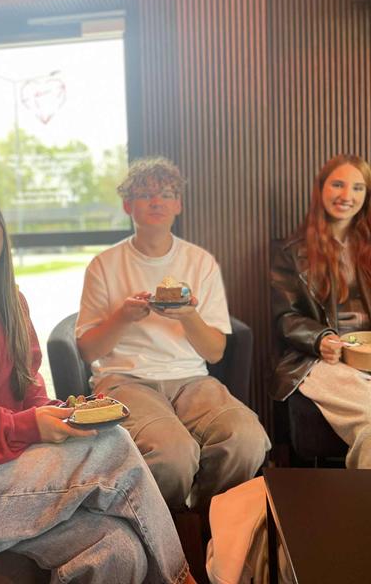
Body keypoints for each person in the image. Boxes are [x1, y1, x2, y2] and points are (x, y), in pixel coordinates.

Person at [0, 171, 195, 584]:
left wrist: (63, 414)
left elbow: (28, 399)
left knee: (117, 548)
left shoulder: (11, 301)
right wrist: (26, 426)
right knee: (111, 447)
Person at [76, 156, 270, 513]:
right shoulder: (104, 265)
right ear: (127, 205)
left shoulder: (200, 262)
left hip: (191, 379)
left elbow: (214, 352)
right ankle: (167, 529)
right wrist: (123, 316)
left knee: (247, 438)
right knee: (172, 453)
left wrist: (189, 315)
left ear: (178, 205)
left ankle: (211, 519)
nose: (157, 202)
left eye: (166, 194)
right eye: (145, 194)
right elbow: (88, 350)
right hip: (125, 380)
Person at [271, 153, 371, 467]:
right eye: (338, 184)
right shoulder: (291, 252)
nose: (347, 195)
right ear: (321, 189)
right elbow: (285, 317)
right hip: (320, 359)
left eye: (358, 187)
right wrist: (320, 338)